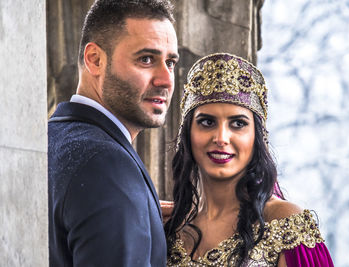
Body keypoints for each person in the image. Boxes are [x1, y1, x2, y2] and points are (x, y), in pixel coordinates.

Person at [164, 53, 334, 266]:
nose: (221, 138)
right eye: (207, 122)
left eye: (238, 124)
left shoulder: (285, 223)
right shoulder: (169, 229)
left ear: (257, 137)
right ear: (187, 134)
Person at [48, 0, 178, 266]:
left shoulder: (49, 140)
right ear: (95, 60)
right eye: (146, 59)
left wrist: (144, 214)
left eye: (171, 63)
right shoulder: (107, 165)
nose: (165, 80)